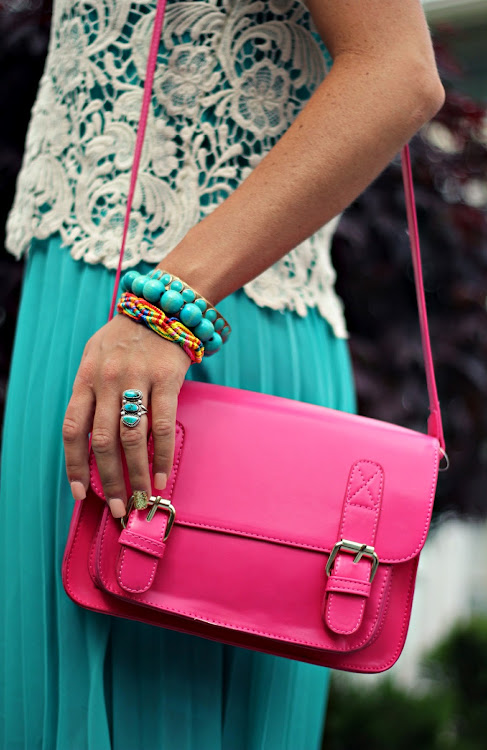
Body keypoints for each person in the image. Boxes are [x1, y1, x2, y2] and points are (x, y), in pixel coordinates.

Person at [0, 0, 444, 748]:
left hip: (185, 337)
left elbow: (397, 72)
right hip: (89, 329)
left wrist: (167, 307)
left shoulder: (164, 317)